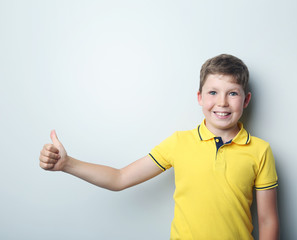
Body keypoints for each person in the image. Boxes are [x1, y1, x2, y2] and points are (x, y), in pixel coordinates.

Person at [39, 54, 279, 240]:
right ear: (199, 98)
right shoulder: (179, 142)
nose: (222, 102)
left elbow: (267, 220)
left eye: (233, 93)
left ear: (246, 99)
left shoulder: (260, 151)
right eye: (213, 92)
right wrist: (68, 164)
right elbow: (120, 178)